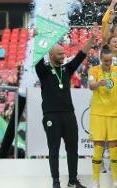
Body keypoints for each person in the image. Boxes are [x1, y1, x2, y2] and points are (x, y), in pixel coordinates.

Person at [34, 24, 98, 188]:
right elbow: (38, 57)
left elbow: (81, 54)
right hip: (51, 115)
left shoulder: (67, 70)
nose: (64, 56)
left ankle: (72, 180)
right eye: (60, 54)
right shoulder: (44, 71)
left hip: (69, 114)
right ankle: (56, 181)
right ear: (51, 55)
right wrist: (37, 38)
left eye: (63, 53)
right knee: (53, 149)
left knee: (73, 149)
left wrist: (92, 38)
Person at [88, 47, 117, 188]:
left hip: (113, 114)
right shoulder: (94, 70)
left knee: (114, 148)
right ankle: (95, 180)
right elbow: (90, 85)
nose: (108, 63)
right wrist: (98, 84)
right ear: (101, 58)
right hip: (98, 114)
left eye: (110, 60)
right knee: (98, 148)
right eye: (105, 60)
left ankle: (116, 180)